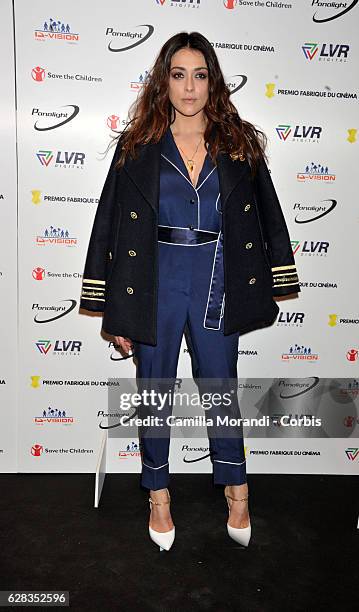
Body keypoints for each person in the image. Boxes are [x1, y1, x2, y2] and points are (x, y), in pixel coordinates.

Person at [80, 31, 300, 552]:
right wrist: (114, 309)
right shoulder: (136, 147)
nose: (189, 87)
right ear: (164, 81)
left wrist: (280, 275)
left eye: (199, 75)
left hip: (216, 279)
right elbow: (108, 224)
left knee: (221, 389)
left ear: (212, 82)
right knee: (154, 394)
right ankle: (158, 494)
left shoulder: (239, 143)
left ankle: (237, 489)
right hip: (154, 281)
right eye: (178, 75)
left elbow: (268, 213)